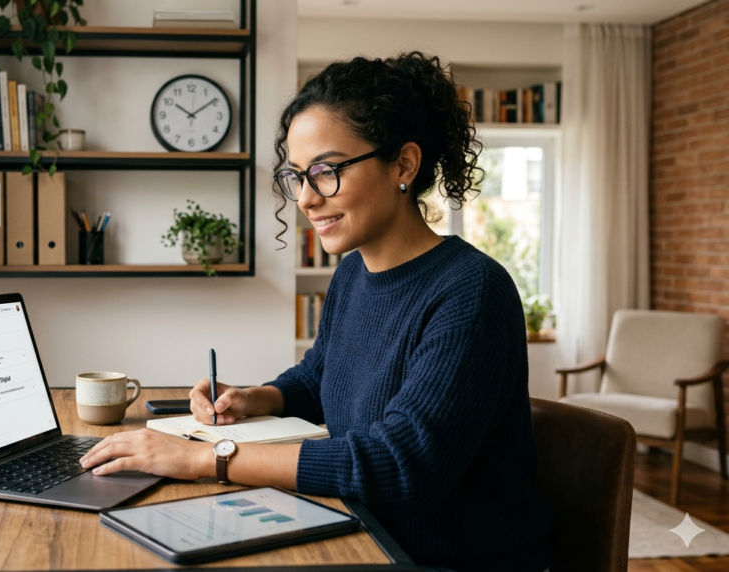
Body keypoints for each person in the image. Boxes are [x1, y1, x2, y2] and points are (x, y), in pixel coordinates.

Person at [79, 52, 555, 572]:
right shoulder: (353, 273)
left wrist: (205, 458)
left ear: (404, 164)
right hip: (359, 530)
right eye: (298, 175)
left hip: (444, 558)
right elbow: (320, 375)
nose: (305, 198)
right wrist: (257, 397)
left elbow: (402, 466)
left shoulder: (472, 292)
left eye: (326, 172)